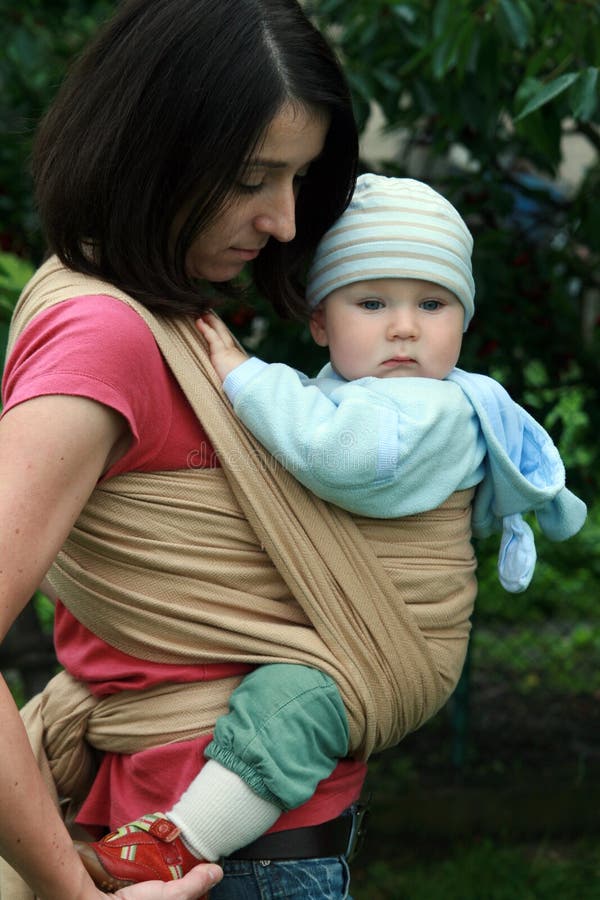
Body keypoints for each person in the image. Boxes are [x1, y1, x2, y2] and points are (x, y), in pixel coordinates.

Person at [74, 175, 587, 890]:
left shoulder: (431, 409)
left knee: (285, 709)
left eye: (432, 304)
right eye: (372, 303)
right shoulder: (343, 395)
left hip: (394, 641)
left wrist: (240, 374)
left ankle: (183, 840)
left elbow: (334, 456)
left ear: (463, 323)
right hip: (350, 628)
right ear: (320, 322)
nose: (404, 326)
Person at [0, 0, 373, 897]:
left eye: (300, 179)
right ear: (150, 151)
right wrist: (66, 888)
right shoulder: (107, 335)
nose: (284, 221)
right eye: (252, 177)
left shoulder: (155, 314)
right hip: (217, 865)